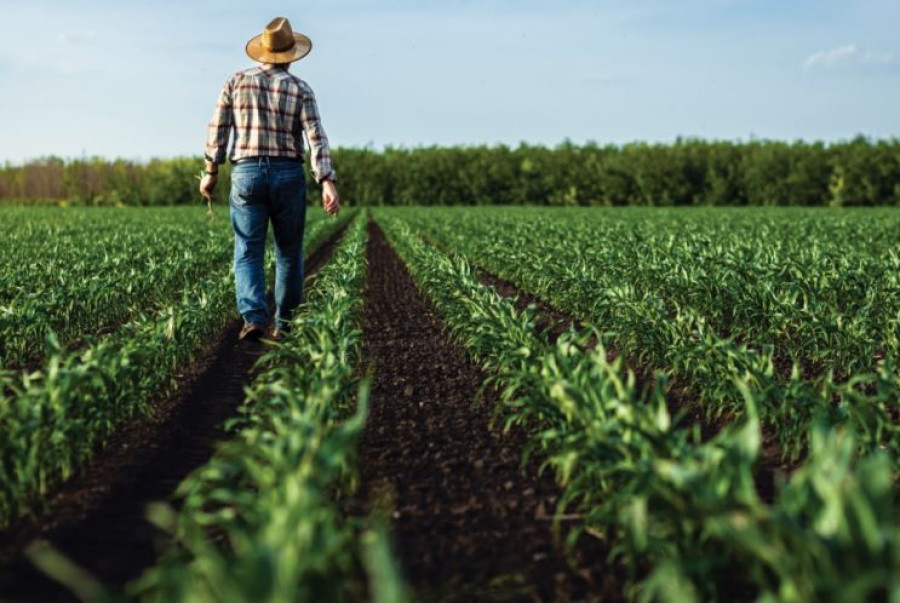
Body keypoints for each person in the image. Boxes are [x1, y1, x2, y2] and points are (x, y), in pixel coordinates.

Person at [199, 16, 340, 342]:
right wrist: (327, 181)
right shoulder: (300, 88)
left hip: (246, 173)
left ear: (261, 51)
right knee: (289, 252)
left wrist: (211, 172)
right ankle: (285, 324)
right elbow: (316, 137)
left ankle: (253, 319)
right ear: (290, 55)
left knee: (248, 248)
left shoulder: (235, 82)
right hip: (288, 173)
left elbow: (217, 130)